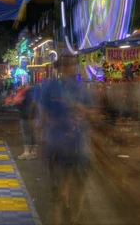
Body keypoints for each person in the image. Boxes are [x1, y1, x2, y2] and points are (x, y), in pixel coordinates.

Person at [40, 56, 92, 225]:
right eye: (66, 65)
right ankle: (62, 210)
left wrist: (83, 111)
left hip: (77, 142)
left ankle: (74, 217)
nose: (69, 68)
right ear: (60, 67)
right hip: (58, 142)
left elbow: (93, 112)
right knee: (63, 182)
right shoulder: (51, 86)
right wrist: (50, 124)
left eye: (71, 65)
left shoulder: (81, 88)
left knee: (78, 182)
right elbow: (43, 112)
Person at [15, 84, 38, 160]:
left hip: (26, 116)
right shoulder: (35, 92)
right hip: (34, 117)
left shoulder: (24, 93)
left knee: (26, 133)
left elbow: (18, 103)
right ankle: (34, 152)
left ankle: (27, 152)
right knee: (32, 133)